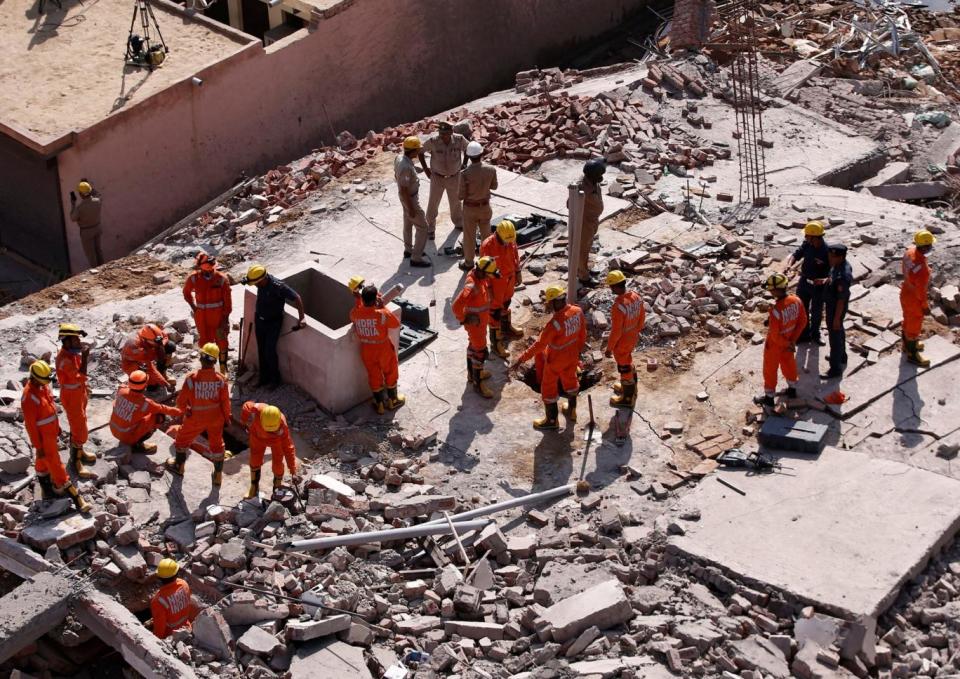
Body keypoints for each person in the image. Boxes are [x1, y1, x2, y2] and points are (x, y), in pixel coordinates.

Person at [511, 284, 587, 429]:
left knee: (548, 387)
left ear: (554, 302)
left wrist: (522, 358)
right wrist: (578, 351)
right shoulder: (577, 311)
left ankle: (551, 421)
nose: (548, 305)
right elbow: (583, 334)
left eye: (549, 303)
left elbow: (539, 346)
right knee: (571, 381)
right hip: (572, 355)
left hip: (556, 359)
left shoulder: (554, 325)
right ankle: (572, 411)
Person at [21, 361, 91, 512]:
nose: (47, 383)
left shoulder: (42, 387)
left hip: (51, 433)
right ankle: (77, 498)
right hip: (44, 439)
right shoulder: (28, 398)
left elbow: (51, 409)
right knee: (56, 466)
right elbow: (31, 426)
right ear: (34, 378)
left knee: (42, 463)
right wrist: (39, 447)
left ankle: (47, 491)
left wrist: (57, 427)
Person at [166, 344, 232, 487]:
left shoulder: (192, 379)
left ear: (201, 359)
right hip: (216, 418)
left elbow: (181, 401)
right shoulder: (220, 380)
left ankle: (179, 466)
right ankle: (218, 476)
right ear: (214, 362)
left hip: (195, 417)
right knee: (217, 445)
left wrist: (185, 410)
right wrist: (227, 418)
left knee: (182, 440)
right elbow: (225, 402)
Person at [242, 264, 306, 388]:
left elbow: (297, 297)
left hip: (273, 323)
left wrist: (301, 317)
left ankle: (274, 380)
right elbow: (248, 280)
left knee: (269, 351)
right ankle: (263, 378)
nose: (255, 285)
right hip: (259, 320)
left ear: (262, 279)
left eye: (256, 283)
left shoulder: (279, 287)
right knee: (261, 349)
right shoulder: (259, 280)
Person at [754, 274, 807, 407]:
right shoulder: (797, 301)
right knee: (789, 365)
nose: (770, 292)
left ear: (777, 290)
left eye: (771, 289)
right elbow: (803, 321)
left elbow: (775, 335)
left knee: (770, 370)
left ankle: (769, 397)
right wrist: (792, 341)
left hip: (774, 346)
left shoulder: (775, 311)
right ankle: (792, 389)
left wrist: (786, 342)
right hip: (789, 342)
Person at [350, 284, 403, 413]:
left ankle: (379, 404)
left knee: (374, 375)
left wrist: (358, 300)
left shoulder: (356, 313)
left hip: (367, 349)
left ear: (363, 299)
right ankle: (393, 400)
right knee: (390, 371)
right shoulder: (382, 314)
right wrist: (382, 306)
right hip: (383, 348)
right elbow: (396, 324)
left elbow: (355, 313)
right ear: (375, 300)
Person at [452, 257, 499, 398]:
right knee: (480, 351)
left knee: (473, 346)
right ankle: (478, 384)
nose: (488, 277)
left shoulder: (479, 274)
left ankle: (472, 374)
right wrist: (464, 318)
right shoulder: (471, 285)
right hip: (475, 325)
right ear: (482, 271)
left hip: (480, 322)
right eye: (488, 274)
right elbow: (456, 306)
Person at [55, 323, 96, 478]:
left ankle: (80, 451)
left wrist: (85, 389)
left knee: (79, 424)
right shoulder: (65, 360)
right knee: (79, 429)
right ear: (66, 341)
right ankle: (75, 462)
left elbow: (80, 377)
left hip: (78, 392)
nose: (79, 343)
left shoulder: (71, 354)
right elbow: (80, 375)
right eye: (76, 341)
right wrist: (85, 358)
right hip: (72, 397)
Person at [479, 220, 523, 359]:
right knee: (495, 312)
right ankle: (496, 345)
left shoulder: (509, 239)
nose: (508, 243)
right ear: (498, 234)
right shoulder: (488, 245)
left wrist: (518, 271)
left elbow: (515, 255)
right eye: (506, 240)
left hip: (509, 280)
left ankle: (506, 329)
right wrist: (489, 289)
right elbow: (484, 269)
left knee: (506, 303)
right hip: (496, 283)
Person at [110, 370, 182, 453]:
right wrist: (182, 411)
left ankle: (133, 439)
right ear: (145, 385)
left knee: (138, 415)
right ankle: (137, 445)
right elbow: (165, 409)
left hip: (113, 430)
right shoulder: (145, 403)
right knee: (159, 417)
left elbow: (125, 388)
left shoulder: (121, 390)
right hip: (127, 438)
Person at [183, 253, 232, 374]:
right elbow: (186, 293)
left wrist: (225, 320)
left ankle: (222, 367)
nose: (211, 268)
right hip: (201, 317)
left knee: (222, 341)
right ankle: (207, 369)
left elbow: (228, 302)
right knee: (205, 342)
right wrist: (194, 307)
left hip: (219, 317)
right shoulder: (193, 278)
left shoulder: (221, 278)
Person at [419, 120, 467, 240]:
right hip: (437, 178)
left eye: (445, 133)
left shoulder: (459, 139)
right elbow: (420, 152)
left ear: (451, 132)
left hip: (454, 177)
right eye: (441, 133)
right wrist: (426, 170)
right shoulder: (433, 141)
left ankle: (458, 222)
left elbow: (468, 149)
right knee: (433, 203)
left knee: (456, 202)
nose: (443, 136)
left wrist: (464, 164)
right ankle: (430, 227)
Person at [604, 270, 646, 408]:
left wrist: (609, 348)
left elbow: (616, 332)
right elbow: (642, 319)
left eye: (611, 286)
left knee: (624, 367)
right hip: (633, 335)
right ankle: (631, 388)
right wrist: (635, 331)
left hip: (622, 341)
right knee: (628, 360)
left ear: (616, 286)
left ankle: (627, 398)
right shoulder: (636, 296)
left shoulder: (619, 306)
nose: (610, 289)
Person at [240, 401, 298, 499]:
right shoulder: (256, 409)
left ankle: (276, 490)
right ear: (261, 418)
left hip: (276, 442)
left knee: (278, 464)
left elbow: (288, 448)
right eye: (268, 430)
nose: (271, 432)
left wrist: (293, 470)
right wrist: (244, 422)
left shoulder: (283, 427)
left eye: (274, 430)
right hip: (257, 437)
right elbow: (246, 406)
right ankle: (254, 487)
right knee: (254, 460)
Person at [787, 221, 830, 345]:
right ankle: (804, 334)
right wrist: (789, 265)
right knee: (802, 309)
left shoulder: (827, 251)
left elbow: (833, 271)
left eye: (807, 235)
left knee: (817, 311)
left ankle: (815, 334)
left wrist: (824, 280)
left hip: (818, 287)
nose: (805, 237)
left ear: (814, 237)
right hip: (804, 283)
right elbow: (797, 254)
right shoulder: (807, 244)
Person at [458, 142, 498, 270]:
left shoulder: (464, 173)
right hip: (485, 208)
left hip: (470, 209)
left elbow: (460, 196)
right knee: (487, 236)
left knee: (469, 236)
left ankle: (469, 263)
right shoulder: (491, 169)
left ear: (469, 156)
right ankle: (486, 262)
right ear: (481, 154)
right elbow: (494, 186)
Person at [901, 229, 936, 367]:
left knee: (907, 319)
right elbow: (921, 293)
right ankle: (912, 354)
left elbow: (904, 268)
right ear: (926, 246)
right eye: (930, 245)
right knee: (914, 327)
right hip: (914, 300)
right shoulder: (923, 270)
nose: (932, 247)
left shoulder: (909, 252)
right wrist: (925, 307)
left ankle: (907, 345)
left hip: (905, 292)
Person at [395, 137, 431, 267]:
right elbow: (404, 189)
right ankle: (416, 258)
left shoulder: (399, 158)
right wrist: (411, 207)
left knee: (408, 223)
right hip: (410, 198)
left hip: (405, 198)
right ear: (413, 151)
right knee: (423, 227)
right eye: (418, 149)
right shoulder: (405, 167)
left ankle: (408, 250)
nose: (419, 152)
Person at [573, 159, 606, 288]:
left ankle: (583, 269)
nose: (601, 177)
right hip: (584, 222)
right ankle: (583, 276)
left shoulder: (593, 182)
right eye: (599, 174)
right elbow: (570, 204)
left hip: (592, 220)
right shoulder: (581, 186)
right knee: (582, 250)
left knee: (587, 247)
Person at [822, 244, 853, 379]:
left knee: (834, 335)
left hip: (836, 308)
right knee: (839, 331)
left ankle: (835, 369)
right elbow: (832, 277)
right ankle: (841, 356)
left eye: (832, 256)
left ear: (840, 257)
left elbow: (841, 299)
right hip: (832, 305)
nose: (830, 258)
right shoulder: (838, 266)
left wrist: (836, 318)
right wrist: (825, 281)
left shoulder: (842, 275)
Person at [121, 324, 176, 393]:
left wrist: (160, 345)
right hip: (132, 364)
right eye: (155, 343)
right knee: (152, 386)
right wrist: (166, 384)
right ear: (145, 339)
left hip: (147, 351)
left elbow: (165, 337)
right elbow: (151, 369)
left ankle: (162, 372)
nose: (157, 344)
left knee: (170, 346)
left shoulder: (153, 331)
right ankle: (140, 386)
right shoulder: (136, 347)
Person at [150, 559, 196, 639]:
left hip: (171, 636)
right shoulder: (184, 584)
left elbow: (159, 628)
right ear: (176, 574)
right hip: (186, 628)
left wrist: (156, 641)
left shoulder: (158, 601)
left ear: (159, 578)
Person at [69, 180, 104, 267]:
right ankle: (103, 268)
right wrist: (88, 187)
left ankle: (96, 273)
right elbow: (98, 194)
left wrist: (73, 204)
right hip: (97, 227)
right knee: (98, 250)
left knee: (91, 254)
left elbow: (72, 218)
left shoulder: (80, 208)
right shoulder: (97, 201)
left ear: (80, 194)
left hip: (86, 232)